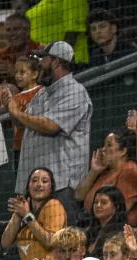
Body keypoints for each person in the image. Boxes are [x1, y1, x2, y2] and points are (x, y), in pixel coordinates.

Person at [8, 40, 93, 217]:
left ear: (56, 62)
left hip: (61, 188)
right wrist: (10, 107)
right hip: (36, 185)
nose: (39, 64)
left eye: (43, 59)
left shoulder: (75, 92)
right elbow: (23, 122)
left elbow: (51, 126)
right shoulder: (42, 93)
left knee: (61, 240)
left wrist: (16, 111)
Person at [1, 166, 68, 260]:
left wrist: (27, 216)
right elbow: (5, 243)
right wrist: (18, 214)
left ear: (51, 187)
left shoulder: (54, 205)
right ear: (28, 186)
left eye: (44, 181)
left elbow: (50, 241)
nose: (39, 184)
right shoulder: (26, 208)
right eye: (34, 180)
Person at [75, 129, 137, 225]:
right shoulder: (105, 172)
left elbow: (118, 212)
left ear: (123, 151)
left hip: (124, 232)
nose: (103, 149)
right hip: (98, 228)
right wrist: (93, 172)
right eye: (104, 145)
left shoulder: (130, 171)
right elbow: (79, 196)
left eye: (109, 145)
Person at [0, 13, 41, 85]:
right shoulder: (1, 56)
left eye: (16, 29)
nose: (12, 34)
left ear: (27, 31)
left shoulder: (39, 52)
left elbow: (42, 84)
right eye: (8, 30)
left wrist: (14, 73)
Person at [81, 185, 128, 256]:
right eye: (96, 202)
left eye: (104, 202)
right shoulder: (90, 232)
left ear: (116, 206)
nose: (98, 205)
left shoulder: (120, 234)